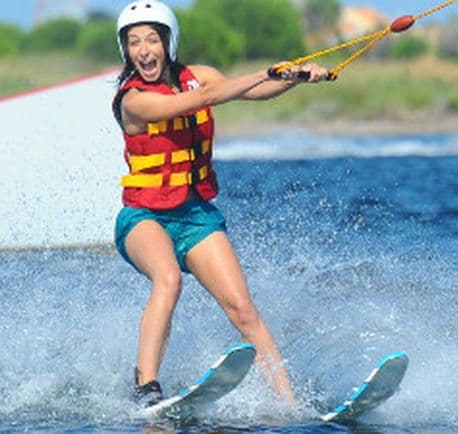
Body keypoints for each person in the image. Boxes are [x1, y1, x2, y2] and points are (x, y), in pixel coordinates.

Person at [112, 0, 330, 407]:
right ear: (125, 50)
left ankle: (288, 403)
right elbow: (197, 102)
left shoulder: (201, 76)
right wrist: (264, 70)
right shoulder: (133, 100)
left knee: (243, 309)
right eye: (135, 42)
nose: (144, 50)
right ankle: (145, 387)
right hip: (144, 217)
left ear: (168, 42)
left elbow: (256, 90)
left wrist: (294, 76)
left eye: (152, 39)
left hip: (195, 216)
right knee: (168, 280)